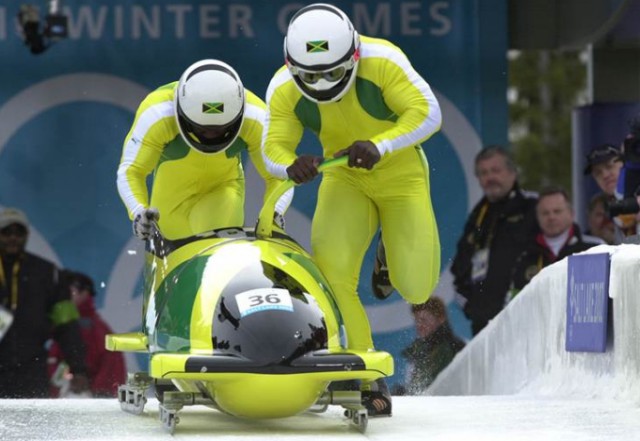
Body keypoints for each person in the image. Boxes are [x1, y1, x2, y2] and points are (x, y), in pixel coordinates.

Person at [261, 3, 442, 416]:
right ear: (292, 65)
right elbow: (272, 148)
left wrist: (382, 144)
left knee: (416, 288)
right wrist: (291, 164)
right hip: (344, 179)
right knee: (332, 276)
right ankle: (363, 373)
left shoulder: (383, 60)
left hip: (400, 175)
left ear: (354, 57)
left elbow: (428, 113)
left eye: (331, 71)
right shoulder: (283, 88)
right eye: (311, 75)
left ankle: (388, 254)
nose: (322, 83)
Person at [117, 59, 288, 241]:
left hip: (222, 192)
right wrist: (138, 212)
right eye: (201, 128)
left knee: (219, 251)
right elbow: (132, 170)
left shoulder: (256, 117)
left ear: (238, 116)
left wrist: (275, 211)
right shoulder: (157, 113)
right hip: (168, 206)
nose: (211, 135)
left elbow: (279, 174)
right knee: (170, 253)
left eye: (220, 128)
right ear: (182, 114)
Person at [0, 207, 90, 398]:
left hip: (30, 368)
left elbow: (66, 326)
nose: (13, 238)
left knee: (32, 426)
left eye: (19, 232)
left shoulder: (47, 273)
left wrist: (78, 369)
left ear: (27, 235)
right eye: (6, 232)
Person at [450, 145, 538, 336]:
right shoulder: (478, 215)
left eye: (496, 171)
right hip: (484, 326)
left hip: (527, 319)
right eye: (483, 173)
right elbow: (460, 266)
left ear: (512, 173)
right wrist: (471, 307)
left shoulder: (533, 207)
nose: (490, 178)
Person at [508, 187, 603, 300]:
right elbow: (514, 303)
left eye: (557, 211)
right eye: (545, 213)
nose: (551, 217)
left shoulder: (595, 248)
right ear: (537, 217)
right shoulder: (523, 255)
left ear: (571, 214)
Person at [48, 271, 126, 398]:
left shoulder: (95, 329)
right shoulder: (61, 324)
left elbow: (111, 364)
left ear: (85, 293)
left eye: (70, 292)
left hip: (86, 399)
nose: (64, 296)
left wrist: (99, 394)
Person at [399, 297, 465, 395]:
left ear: (441, 319)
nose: (419, 325)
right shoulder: (420, 350)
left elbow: (436, 388)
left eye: (424, 320)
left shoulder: (448, 349)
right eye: (416, 320)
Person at [583, 143, 636, 242]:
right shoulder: (613, 207)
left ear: (624, 165)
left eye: (609, 166)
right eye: (598, 173)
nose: (605, 175)